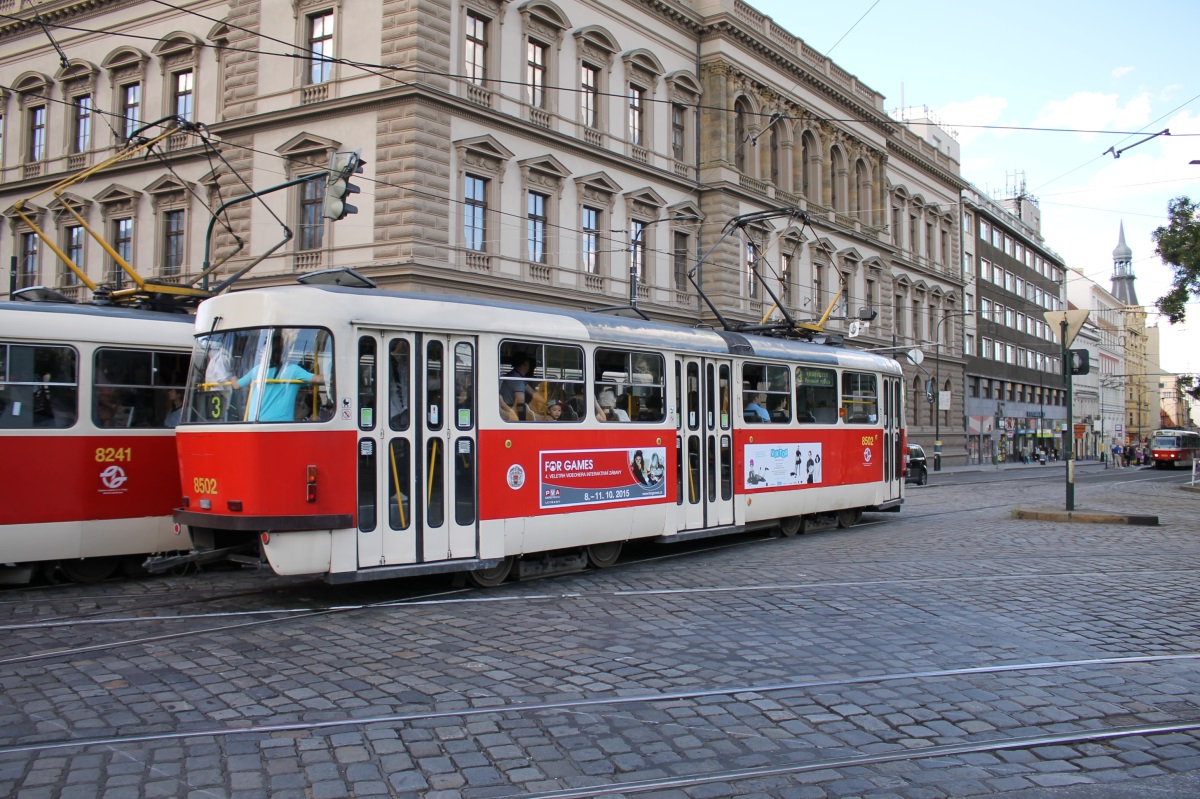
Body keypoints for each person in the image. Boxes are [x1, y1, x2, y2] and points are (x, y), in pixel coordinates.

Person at [237, 336, 325, 422]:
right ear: (284, 354)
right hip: (283, 423)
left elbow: (236, 385)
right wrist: (330, 376)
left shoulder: (257, 370)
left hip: (254, 421)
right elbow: (317, 379)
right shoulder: (294, 370)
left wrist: (231, 376)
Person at [500, 353, 534, 420]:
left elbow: (532, 392)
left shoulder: (515, 376)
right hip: (511, 412)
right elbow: (520, 404)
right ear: (525, 364)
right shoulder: (517, 380)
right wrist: (522, 421)